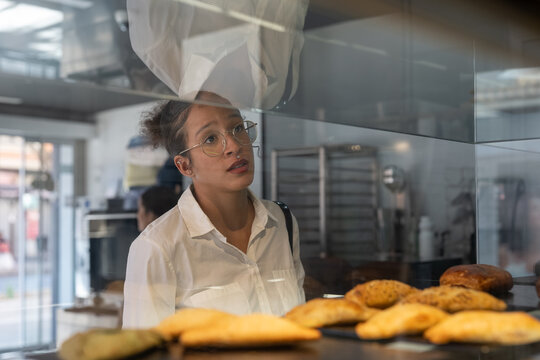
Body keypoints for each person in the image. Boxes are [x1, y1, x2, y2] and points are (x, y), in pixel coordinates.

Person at [122, 92, 305, 328]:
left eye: (238, 128)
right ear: (185, 165)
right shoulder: (157, 247)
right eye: (210, 139)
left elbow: (298, 326)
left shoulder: (281, 222)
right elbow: (143, 350)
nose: (234, 145)